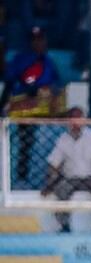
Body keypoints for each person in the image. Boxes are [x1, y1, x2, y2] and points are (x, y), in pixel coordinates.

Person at [0, 26, 63, 184]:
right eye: (34, 39)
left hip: (45, 109)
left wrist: (51, 92)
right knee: (24, 143)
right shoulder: (20, 59)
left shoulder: (49, 61)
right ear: (30, 42)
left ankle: (46, 179)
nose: (38, 42)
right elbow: (10, 82)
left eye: (41, 39)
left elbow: (57, 84)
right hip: (24, 109)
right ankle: (21, 178)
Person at [41, 106, 91, 233]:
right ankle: (64, 226)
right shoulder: (63, 139)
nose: (75, 121)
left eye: (79, 118)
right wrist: (50, 183)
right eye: (73, 118)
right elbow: (54, 164)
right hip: (71, 179)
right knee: (60, 190)